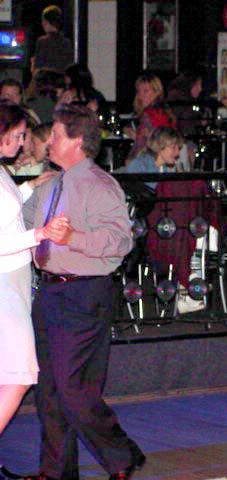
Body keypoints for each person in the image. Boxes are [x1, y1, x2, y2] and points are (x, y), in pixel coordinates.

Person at [23, 105, 145, 480]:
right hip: (50, 292)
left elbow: (120, 241)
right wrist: (25, 189)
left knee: (72, 388)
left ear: (76, 141)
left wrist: (72, 237)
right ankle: (55, 471)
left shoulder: (98, 184)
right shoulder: (51, 184)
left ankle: (122, 455)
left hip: (82, 292)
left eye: (56, 135)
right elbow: (19, 224)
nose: (49, 141)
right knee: (49, 390)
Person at [0, 102, 65, 476]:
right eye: (20, 134)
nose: (25, 142)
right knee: (21, 375)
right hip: (5, 286)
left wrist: (28, 187)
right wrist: (37, 234)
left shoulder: (2, 169)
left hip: (12, 282)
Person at [127, 71, 176, 161]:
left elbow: (146, 145)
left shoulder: (151, 114)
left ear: (157, 92)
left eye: (145, 91)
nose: (140, 96)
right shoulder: (165, 111)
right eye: (139, 91)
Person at [119, 126, 185, 187]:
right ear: (159, 146)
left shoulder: (165, 168)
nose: (177, 152)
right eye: (173, 147)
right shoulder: (140, 165)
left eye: (178, 148)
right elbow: (129, 190)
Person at [31, 5, 74, 75]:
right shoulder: (66, 42)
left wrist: (33, 66)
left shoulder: (42, 42)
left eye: (43, 21)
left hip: (46, 80)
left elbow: (37, 69)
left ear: (47, 22)